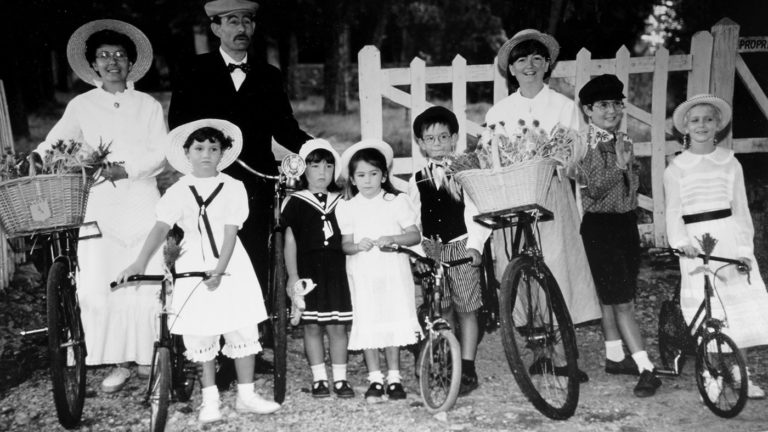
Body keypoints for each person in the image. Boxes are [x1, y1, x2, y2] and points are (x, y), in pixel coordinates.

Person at [168, 0, 311, 379]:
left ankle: (246, 347)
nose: (241, 27)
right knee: (207, 259)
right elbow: (179, 126)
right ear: (215, 28)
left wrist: (316, 151)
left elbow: (286, 128)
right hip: (207, 184)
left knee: (253, 262)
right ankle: (207, 349)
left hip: (255, 184)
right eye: (232, 21)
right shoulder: (193, 69)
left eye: (247, 20)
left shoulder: (268, 74)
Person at [117, 119, 281, 424]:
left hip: (230, 262)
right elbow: (161, 226)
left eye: (213, 148)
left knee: (241, 325)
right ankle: (210, 400)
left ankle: (247, 395)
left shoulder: (234, 187)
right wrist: (140, 261)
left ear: (222, 154)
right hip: (193, 261)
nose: (206, 153)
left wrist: (220, 268)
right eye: (199, 148)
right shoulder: (178, 190)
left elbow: (230, 232)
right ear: (187, 153)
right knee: (201, 331)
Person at [36, 19, 167, 393]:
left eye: (120, 56)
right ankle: (118, 361)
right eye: (104, 56)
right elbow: (55, 143)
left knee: (144, 275)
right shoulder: (82, 105)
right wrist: (34, 158)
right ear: (93, 64)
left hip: (141, 195)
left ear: (131, 63)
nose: (113, 62)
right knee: (100, 278)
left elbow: (161, 153)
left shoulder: (148, 105)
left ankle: (148, 356)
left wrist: (125, 169)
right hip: (98, 202)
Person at [484, 29, 601, 380]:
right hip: (514, 195)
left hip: (550, 193)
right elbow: (492, 156)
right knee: (518, 266)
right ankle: (540, 351)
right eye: (521, 60)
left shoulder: (563, 106)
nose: (529, 65)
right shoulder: (500, 111)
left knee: (557, 264)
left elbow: (576, 153)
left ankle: (567, 355)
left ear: (547, 63)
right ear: (511, 68)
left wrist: (561, 157)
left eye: (537, 58)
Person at [664, 94, 768, 399]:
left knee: (736, 305)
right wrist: (682, 243)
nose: (702, 125)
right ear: (685, 126)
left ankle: (740, 370)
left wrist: (745, 251)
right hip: (696, 243)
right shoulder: (677, 169)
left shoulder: (730, 163)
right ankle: (711, 371)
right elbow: (673, 212)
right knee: (707, 304)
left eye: (708, 119)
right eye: (695, 120)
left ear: (718, 125)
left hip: (729, 238)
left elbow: (741, 209)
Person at [575, 75, 661, 397]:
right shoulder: (585, 144)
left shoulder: (622, 138)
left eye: (616, 104)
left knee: (614, 295)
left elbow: (633, 188)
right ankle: (646, 368)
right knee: (622, 301)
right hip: (600, 228)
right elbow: (594, 189)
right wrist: (621, 167)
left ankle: (615, 356)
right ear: (587, 110)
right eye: (602, 105)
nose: (611, 110)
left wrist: (628, 168)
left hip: (625, 224)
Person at [335, 139, 422, 403]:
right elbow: (345, 245)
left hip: (393, 272)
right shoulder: (347, 207)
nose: (368, 180)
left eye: (374, 174)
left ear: (384, 175)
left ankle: (394, 378)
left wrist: (393, 238)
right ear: (352, 178)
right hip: (363, 273)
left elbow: (414, 236)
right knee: (369, 320)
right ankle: (375, 378)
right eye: (361, 175)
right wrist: (357, 245)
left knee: (393, 319)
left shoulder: (397, 201)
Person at [407, 106, 487, 395]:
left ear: (454, 138)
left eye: (444, 137)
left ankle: (468, 365)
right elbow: (413, 220)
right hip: (433, 248)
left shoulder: (466, 172)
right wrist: (418, 254)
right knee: (441, 305)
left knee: (467, 307)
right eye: (430, 139)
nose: (437, 144)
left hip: (462, 244)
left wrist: (476, 245)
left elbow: (479, 212)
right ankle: (448, 359)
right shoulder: (417, 179)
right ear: (421, 143)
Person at [282, 138, 354, 399]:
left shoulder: (344, 200)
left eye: (328, 166)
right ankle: (320, 378)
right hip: (308, 270)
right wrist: (293, 276)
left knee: (337, 326)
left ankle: (341, 379)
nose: (322, 173)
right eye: (314, 166)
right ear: (303, 170)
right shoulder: (296, 201)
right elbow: (290, 241)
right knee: (311, 326)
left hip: (337, 271)